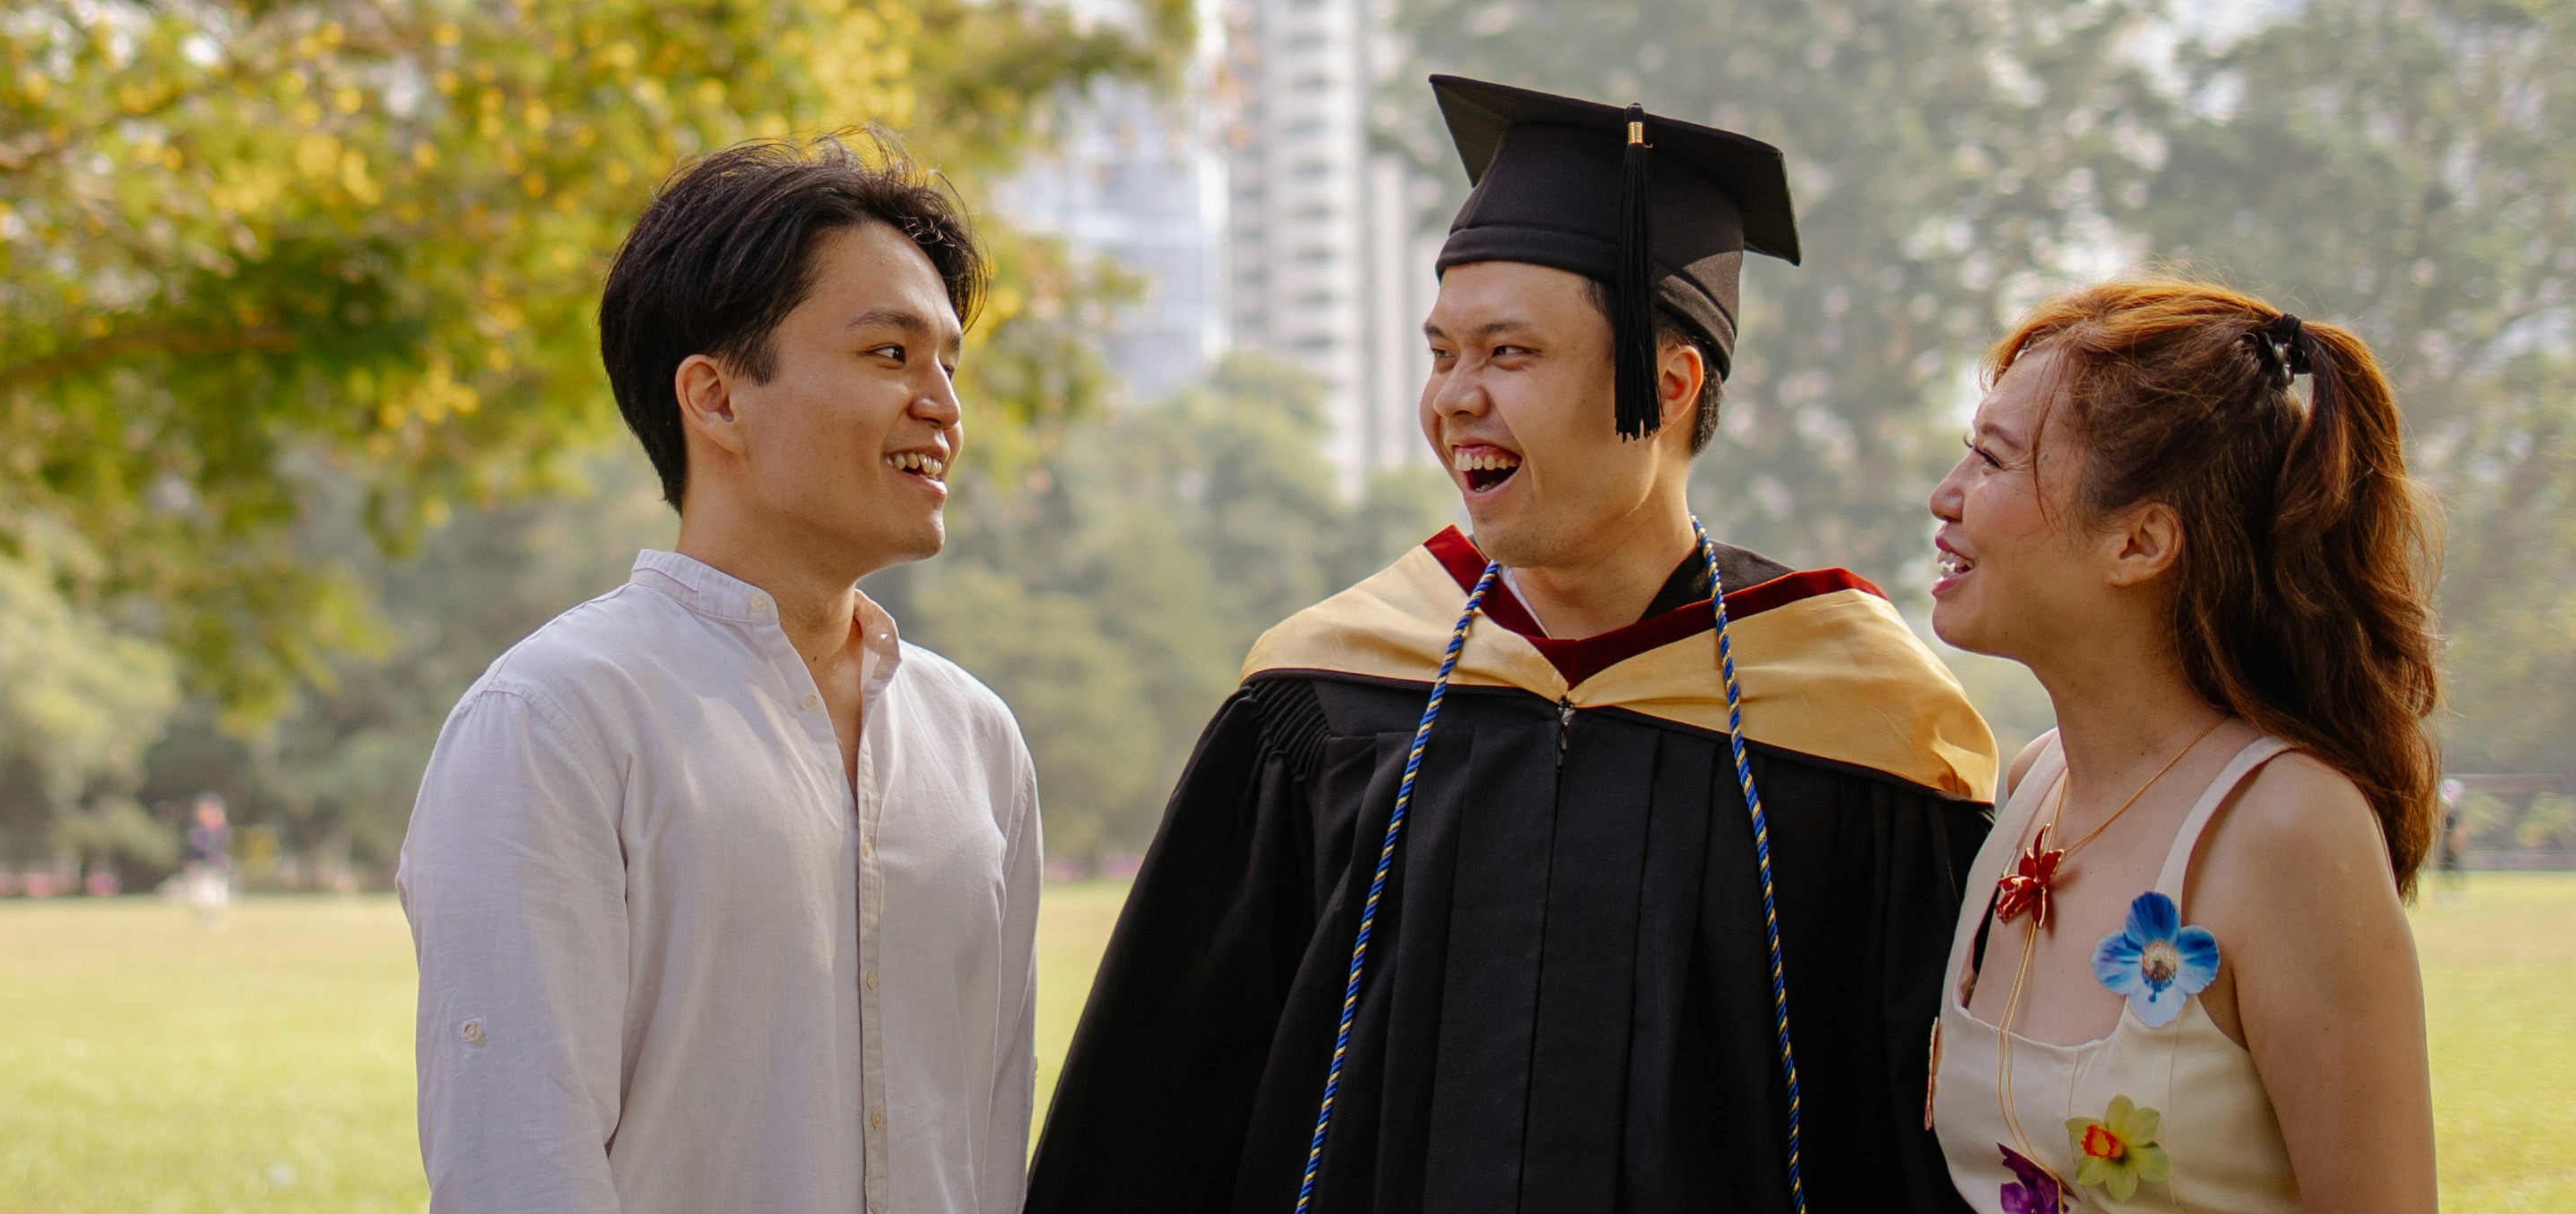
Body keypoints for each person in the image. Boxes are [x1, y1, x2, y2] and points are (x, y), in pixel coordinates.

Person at [1029, 79, 1998, 1214]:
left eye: (1508, 354)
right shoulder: (1328, 700)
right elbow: (1156, 1115)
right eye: (1442, 354)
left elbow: (1915, 1150)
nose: (1454, 398)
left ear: (1667, 387)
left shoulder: (1860, 732)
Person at [399, 137, 1041, 1214]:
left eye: (947, 363)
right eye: (889, 354)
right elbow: (517, 1163)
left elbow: (989, 1141)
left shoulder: (974, 740)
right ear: (715, 397)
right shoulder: (554, 720)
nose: (940, 404)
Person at [1925, 279, 2442, 1214]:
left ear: (2139, 541)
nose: (1945, 497)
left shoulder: (2287, 829)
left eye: (1992, 463)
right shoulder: (2033, 784)